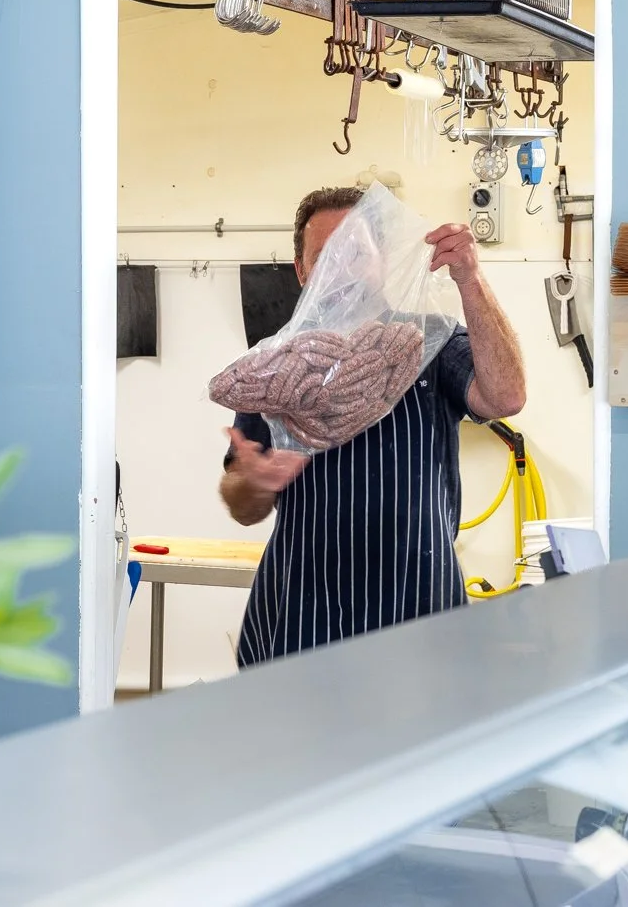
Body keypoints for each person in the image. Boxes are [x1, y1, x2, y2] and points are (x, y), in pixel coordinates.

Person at [219, 185, 527, 667]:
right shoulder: (276, 367)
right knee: (299, 742)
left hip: (420, 608)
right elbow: (242, 507)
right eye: (325, 256)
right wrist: (253, 482)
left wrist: (470, 280)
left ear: (384, 261)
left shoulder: (431, 342)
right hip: (304, 614)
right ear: (301, 271)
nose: (343, 270)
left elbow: (506, 396)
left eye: (356, 253)